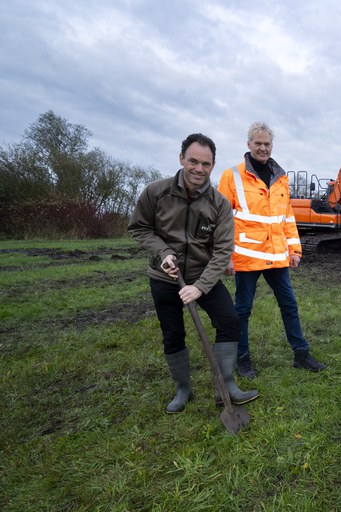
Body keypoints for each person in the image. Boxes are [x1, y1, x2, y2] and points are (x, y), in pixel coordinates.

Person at [128, 133, 260, 414]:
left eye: (206, 164)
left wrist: (199, 287)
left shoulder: (220, 204)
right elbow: (139, 228)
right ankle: (183, 389)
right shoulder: (156, 192)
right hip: (164, 278)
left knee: (229, 320)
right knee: (172, 333)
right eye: (193, 161)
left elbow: (224, 250)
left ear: (213, 165)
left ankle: (225, 386)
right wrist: (163, 253)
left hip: (204, 275)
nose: (199, 169)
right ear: (181, 159)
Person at [218, 122, 326, 377]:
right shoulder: (231, 176)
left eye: (267, 144)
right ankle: (242, 358)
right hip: (247, 257)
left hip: (278, 257)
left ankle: (301, 354)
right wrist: (224, 256)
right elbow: (220, 219)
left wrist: (295, 250)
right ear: (249, 145)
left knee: (290, 305)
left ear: (271, 146)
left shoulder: (281, 178)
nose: (263, 148)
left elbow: (287, 218)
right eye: (258, 143)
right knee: (242, 311)